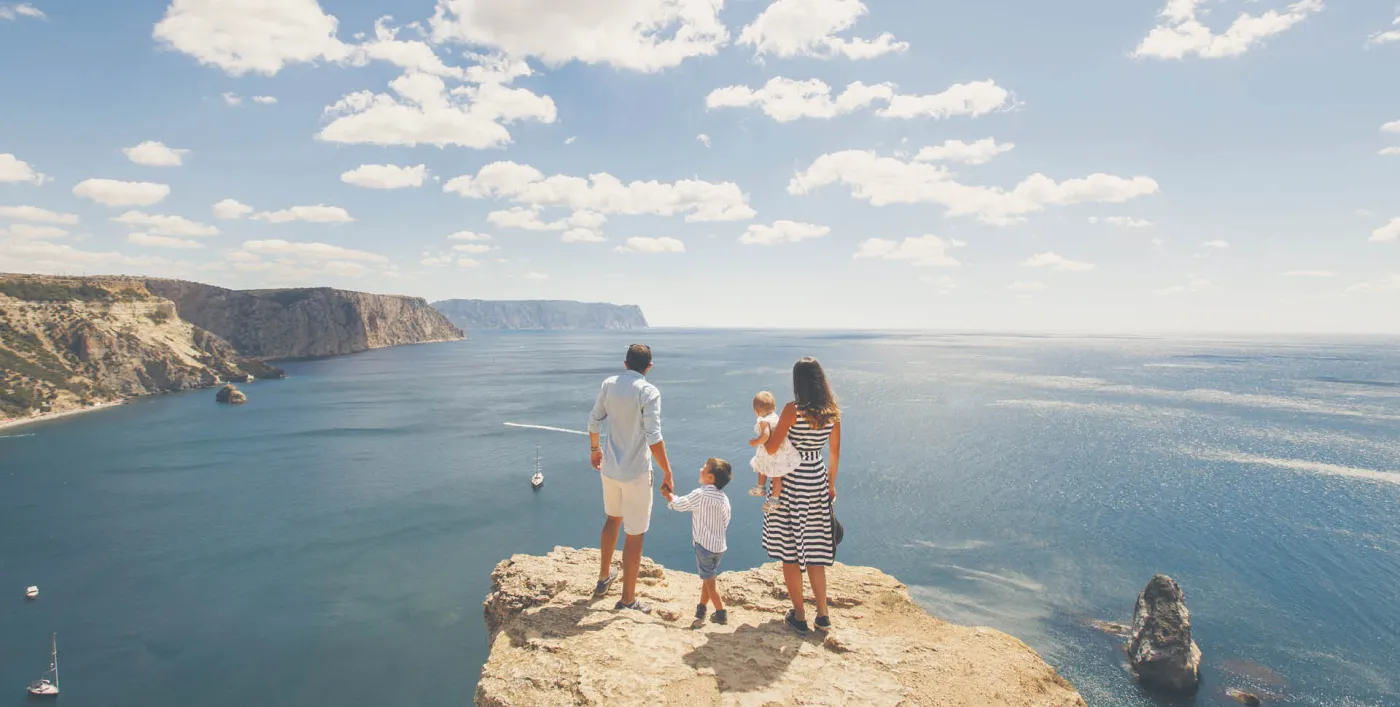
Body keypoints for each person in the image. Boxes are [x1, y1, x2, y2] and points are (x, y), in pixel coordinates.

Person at [588, 344, 675, 614]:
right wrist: (668, 472)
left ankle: (604, 577)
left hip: (610, 469)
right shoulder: (648, 391)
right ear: (649, 367)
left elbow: (594, 421)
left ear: (625, 363)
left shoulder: (609, 384)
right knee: (634, 534)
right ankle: (627, 599)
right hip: (636, 472)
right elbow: (654, 436)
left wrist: (595, 449)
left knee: (612, 520)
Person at [760, 357, 842, 635]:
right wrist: (830, 484)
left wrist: (767, 431)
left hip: (792, 479)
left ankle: (799, 615)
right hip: (817, 478)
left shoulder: (792, 410)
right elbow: (834, 453)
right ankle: (823, 614)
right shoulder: (832, 412)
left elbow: (772, 449)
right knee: (816, 549)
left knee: (790, 551)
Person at [662, 458, 733, 625]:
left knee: (709, 580)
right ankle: (701, 608)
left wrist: (668, 495)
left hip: (704, 546)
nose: (701, 468)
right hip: (719, 546)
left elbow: (679, 505)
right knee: (709, 577)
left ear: (710, 478)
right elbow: (726, 520)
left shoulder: (700, 495)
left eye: (704, 467)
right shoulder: (724, 498)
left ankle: (721, 613)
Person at [747, 391, 799, 513]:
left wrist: (756, 442)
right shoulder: (777, 418)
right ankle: (774, 501)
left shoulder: (763, 420)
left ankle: (760, 488)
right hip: (781, 453)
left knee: (761, 467)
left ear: (756, 411)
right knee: (777, 478)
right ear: (774, 408)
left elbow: (765, 435)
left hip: (769, 452)